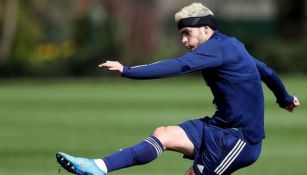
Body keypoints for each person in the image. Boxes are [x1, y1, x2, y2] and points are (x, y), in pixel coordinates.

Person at [56, 3, 300, 175]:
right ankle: (99, 166)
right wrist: (284, 98)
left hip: (239, 140)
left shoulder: (218, 49)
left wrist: (127, 70)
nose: (183, 40)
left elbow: (178, 66)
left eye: (187, 33)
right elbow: (265, 70)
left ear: (206, 29)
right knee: (163, 134)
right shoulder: (230, 46)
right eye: (181, 34)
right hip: (217, 127)